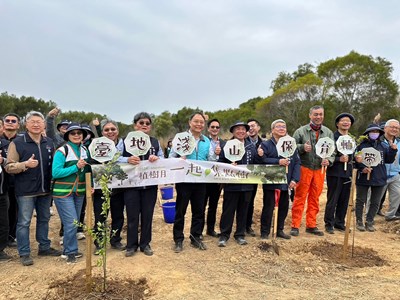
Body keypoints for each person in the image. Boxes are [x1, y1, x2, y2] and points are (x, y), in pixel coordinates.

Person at [5, 111, 61, 266]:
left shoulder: (49, 142)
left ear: (43, 124)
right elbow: (9, 166)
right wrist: (25, 165)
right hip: (26, 191)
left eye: (39, 121)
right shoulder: (17, 143)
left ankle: (44, 247)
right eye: (32, 121)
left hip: (45, 190)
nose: (36, 124)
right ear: (26, 124)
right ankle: (24, 252)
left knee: (44, 219)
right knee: (24, 222)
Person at [122, 112, 164, 257]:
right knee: (132, 216)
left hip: (149, 185)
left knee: (148, 215)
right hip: (130, 185)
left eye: (147, 123)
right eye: (141, 123)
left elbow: (163, 158)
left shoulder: (155, 142)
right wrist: (126, 160)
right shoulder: (125, 140)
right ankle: (131, 245)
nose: (144, 125)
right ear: (135, 125)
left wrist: (156, 158)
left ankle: (145, 244)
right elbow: (115, 158)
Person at [218, 122, 264, 247]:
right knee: (228, 210)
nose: (241, 131)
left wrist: (260, 156)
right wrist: (228, 165)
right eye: (237, 129)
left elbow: (256, 163)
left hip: (247, 184)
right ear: (233, 132)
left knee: (243, 210)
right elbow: (220, 162)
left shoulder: (250, 146)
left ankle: (240, 234)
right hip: (231, 185)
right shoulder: (226, 145)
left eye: (243, 129)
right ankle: (224, 235)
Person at [169, 112, 210, 253]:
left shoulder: (207, 141)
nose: (199, 124)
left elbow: (211, 159)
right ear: (189, 122)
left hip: (201, 180)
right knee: (180, 210)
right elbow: (171, 156)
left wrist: (216, 153)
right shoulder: (180, 138)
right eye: (196, 121)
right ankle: (178, 239)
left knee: (199, 210)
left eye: (201, 122)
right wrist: (180, 158)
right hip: (184, 180)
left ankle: (195, 237)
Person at [290, 105, 334, 237]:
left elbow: (333, 150)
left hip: (320, 169)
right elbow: (291, 148)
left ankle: (311, 224)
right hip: (304, 167)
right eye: (315, 114)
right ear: (310, 115)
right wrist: (302, 147)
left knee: (315, 198)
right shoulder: (300, 131)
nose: (318, 117)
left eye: (321, 114)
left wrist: (329, 160)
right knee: (300, 197)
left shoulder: (328, 132)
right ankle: (295, 225)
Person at [52, 123, 91, 264]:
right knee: (72, 222)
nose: (76, 135)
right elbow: (55, 172)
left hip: (79, 192)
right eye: (72, 133)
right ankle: (69, 252)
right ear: (67, 135)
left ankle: (71, 249)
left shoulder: (85, 150)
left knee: (75, 222)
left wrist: (90, 185)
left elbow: (88, 171)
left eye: (79, 133)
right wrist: (75, 167)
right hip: (62, 192)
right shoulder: (62, 151)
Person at [259, 119, 300, 240]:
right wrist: (277, 161)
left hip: (287, 181)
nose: (282, 128)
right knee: (269, 206)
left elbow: (297, 162)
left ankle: (279, 229)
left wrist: (295, 179)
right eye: (278, 127)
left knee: (283, 206)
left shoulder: (291, 143)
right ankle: (264, 232)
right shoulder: (266, 144)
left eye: (284, 126)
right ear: (272, 130)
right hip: (271, 181)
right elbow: (262, 160)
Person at [355, 124, 397, 231]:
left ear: (379, 134)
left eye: (377, 132)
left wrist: (393, 150)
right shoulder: (361, 146)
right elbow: (356, 160)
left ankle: (370, 221)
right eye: (372, 131)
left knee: (375, 202)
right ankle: (359, 221)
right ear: (368, 133)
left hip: (379, 177)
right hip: (363, 178)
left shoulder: (383, 146)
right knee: (360, 200)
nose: (374, 134)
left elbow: (389, 160)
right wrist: (362, 168)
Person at [92, 119, 126, 252]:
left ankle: (116, 240)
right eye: (106, 130)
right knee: (100, 216)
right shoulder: (95, 145)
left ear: (117, 131)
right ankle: (99, 242)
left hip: (119, 187)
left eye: (113, 129)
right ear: (102, 132)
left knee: (118, 216)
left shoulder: (125, 145)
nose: (110, 132)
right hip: (101, 187)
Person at [324, 113, 355, 234]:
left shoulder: (351, 139)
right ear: (337, 124)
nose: (346, 123)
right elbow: (326, 155)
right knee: (333, 199)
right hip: (335, 173)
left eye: (348, 121)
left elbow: (351, 156)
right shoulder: (331, 138)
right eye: (343, 121)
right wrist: (338, 159)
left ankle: (339, 222)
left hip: (348, 173)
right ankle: (329, 223)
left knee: (344, 200)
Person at [1, 113, 22, 248]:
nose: (10, 122)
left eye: (13, 121)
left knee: (15, 210)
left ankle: (11, 236)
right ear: (3, 124)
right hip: (2, 183)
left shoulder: (21, 141)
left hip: (17, 182)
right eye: (7, 120)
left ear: (18, 125)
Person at [204, 118, 224, 237]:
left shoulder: (224, 143)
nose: (215, 129)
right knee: (201, 205)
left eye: (217, 127)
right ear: (208, 129)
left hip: (217, 179)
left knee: (213, 205)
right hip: (205, 177)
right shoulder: (204, 141)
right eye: (212, 127)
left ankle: (210, 229)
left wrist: (219, 155)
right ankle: (198, 231)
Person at [245, 118, 263, 237]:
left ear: (258, 128)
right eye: (249, 127)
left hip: (255, 177)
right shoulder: (240, 142)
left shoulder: (264, 143)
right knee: (240, 201)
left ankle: (247, 225)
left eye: (253, 126)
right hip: (241, 175)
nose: (251, 128)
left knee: (250, 201)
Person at [381, 119, 400, 221]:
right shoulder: (379, 141)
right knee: (375, 198)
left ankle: (390, 215)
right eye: (392, 127)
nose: (394, 129)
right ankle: (369, 216)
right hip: (381, 173)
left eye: (396, 128)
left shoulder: (399, 142)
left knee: (396, 195)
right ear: (385, 128)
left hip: (395, 174)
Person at [0, 134, 12, 261]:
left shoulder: (6, 144)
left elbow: (12, 162)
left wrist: (2, 160)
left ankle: (1, 249)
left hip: (3, 191)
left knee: (4, 222)